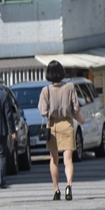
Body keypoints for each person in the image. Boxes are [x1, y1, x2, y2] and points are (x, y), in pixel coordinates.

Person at [38, 60, 86, 201]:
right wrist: (81, 119)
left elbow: (42, 111)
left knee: (54, 159)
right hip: (67, 124)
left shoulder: (46, 90)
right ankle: (69, 186)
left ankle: (56, 189)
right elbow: (76, 109)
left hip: (52, 125)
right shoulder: (70, 87)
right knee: (68, 159)